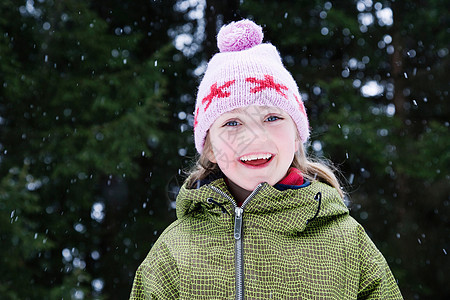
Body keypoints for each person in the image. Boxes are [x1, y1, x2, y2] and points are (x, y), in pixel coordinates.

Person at [129, 19, 403, 299]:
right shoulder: (175, 250)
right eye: (233, 123)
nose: (255, 137)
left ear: (297, 135)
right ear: (210, 148)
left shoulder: (345, 241)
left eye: (272, 117)